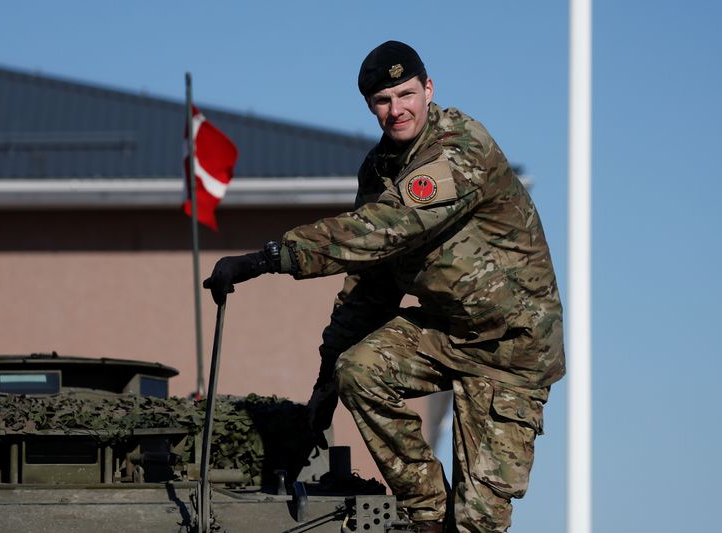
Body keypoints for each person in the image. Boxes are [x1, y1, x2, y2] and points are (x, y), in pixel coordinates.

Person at [205, 40, 565, 533]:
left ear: (428, 89)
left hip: (510, 351)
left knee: (477, 525)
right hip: (445, 331)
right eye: (382, 100)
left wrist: (268, 258)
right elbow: (370, 284)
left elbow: (388, 228)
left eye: (406, 94)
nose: (397, 110)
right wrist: (327, 379)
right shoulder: (379, 170)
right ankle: (428, 517)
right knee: (361, 371)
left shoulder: (461, 147)